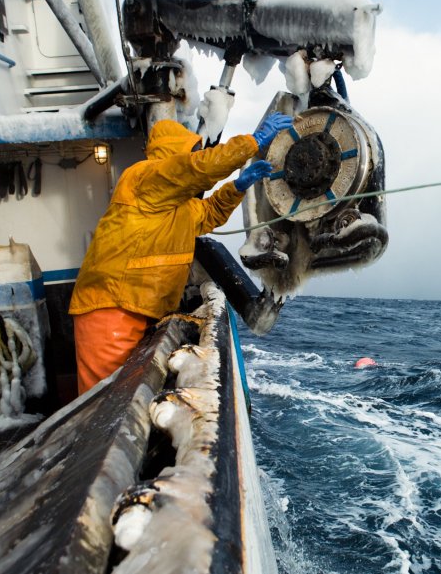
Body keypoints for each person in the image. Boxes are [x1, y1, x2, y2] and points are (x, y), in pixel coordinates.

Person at [69, 113, 292, 394]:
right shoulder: (142, 177)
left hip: (141, 309)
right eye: (192, 151)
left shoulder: (179, 206)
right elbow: (196, 168)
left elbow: (210, 213)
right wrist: (252, 142)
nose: (196, 156)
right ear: (174, 153)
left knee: (128, 395)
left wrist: (237, 187)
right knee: (103, 398)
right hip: (110, 309)